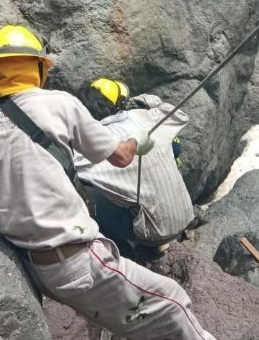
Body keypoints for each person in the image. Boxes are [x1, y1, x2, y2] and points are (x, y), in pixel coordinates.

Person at [0, 25, 221, 340]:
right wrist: (135, 143)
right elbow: (120, 156)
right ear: (38, 68)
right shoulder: (60, 104)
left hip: (33, 263)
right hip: (76, 261)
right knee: (172, 301)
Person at [73, 78, 195, 254]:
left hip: (152, 236)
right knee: (173, 146)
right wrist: (139, 101)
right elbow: (180, 115)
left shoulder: (87, 151)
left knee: (83, 188)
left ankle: (126, 251)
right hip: (186, 214)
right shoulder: (145, 117)